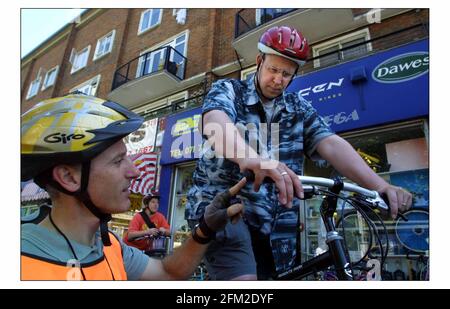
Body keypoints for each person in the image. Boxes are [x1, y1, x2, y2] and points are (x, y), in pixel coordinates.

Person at [186, 26, 413, 280]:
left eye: (286, 74)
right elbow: (215, 123)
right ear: (259, 61)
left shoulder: (298, 108)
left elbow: (330, 143)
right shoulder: (229, 90)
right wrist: (250, 157)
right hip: (228, 217)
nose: (278, 80)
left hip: (278, 229)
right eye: (273, 70)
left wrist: (379, 185)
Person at [20, 93, 247, 280]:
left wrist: (205, 229)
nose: (135, 172)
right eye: (118, 161)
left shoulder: (110, 244)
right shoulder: (21, 260)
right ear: (68, 178)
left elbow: (168, 273)